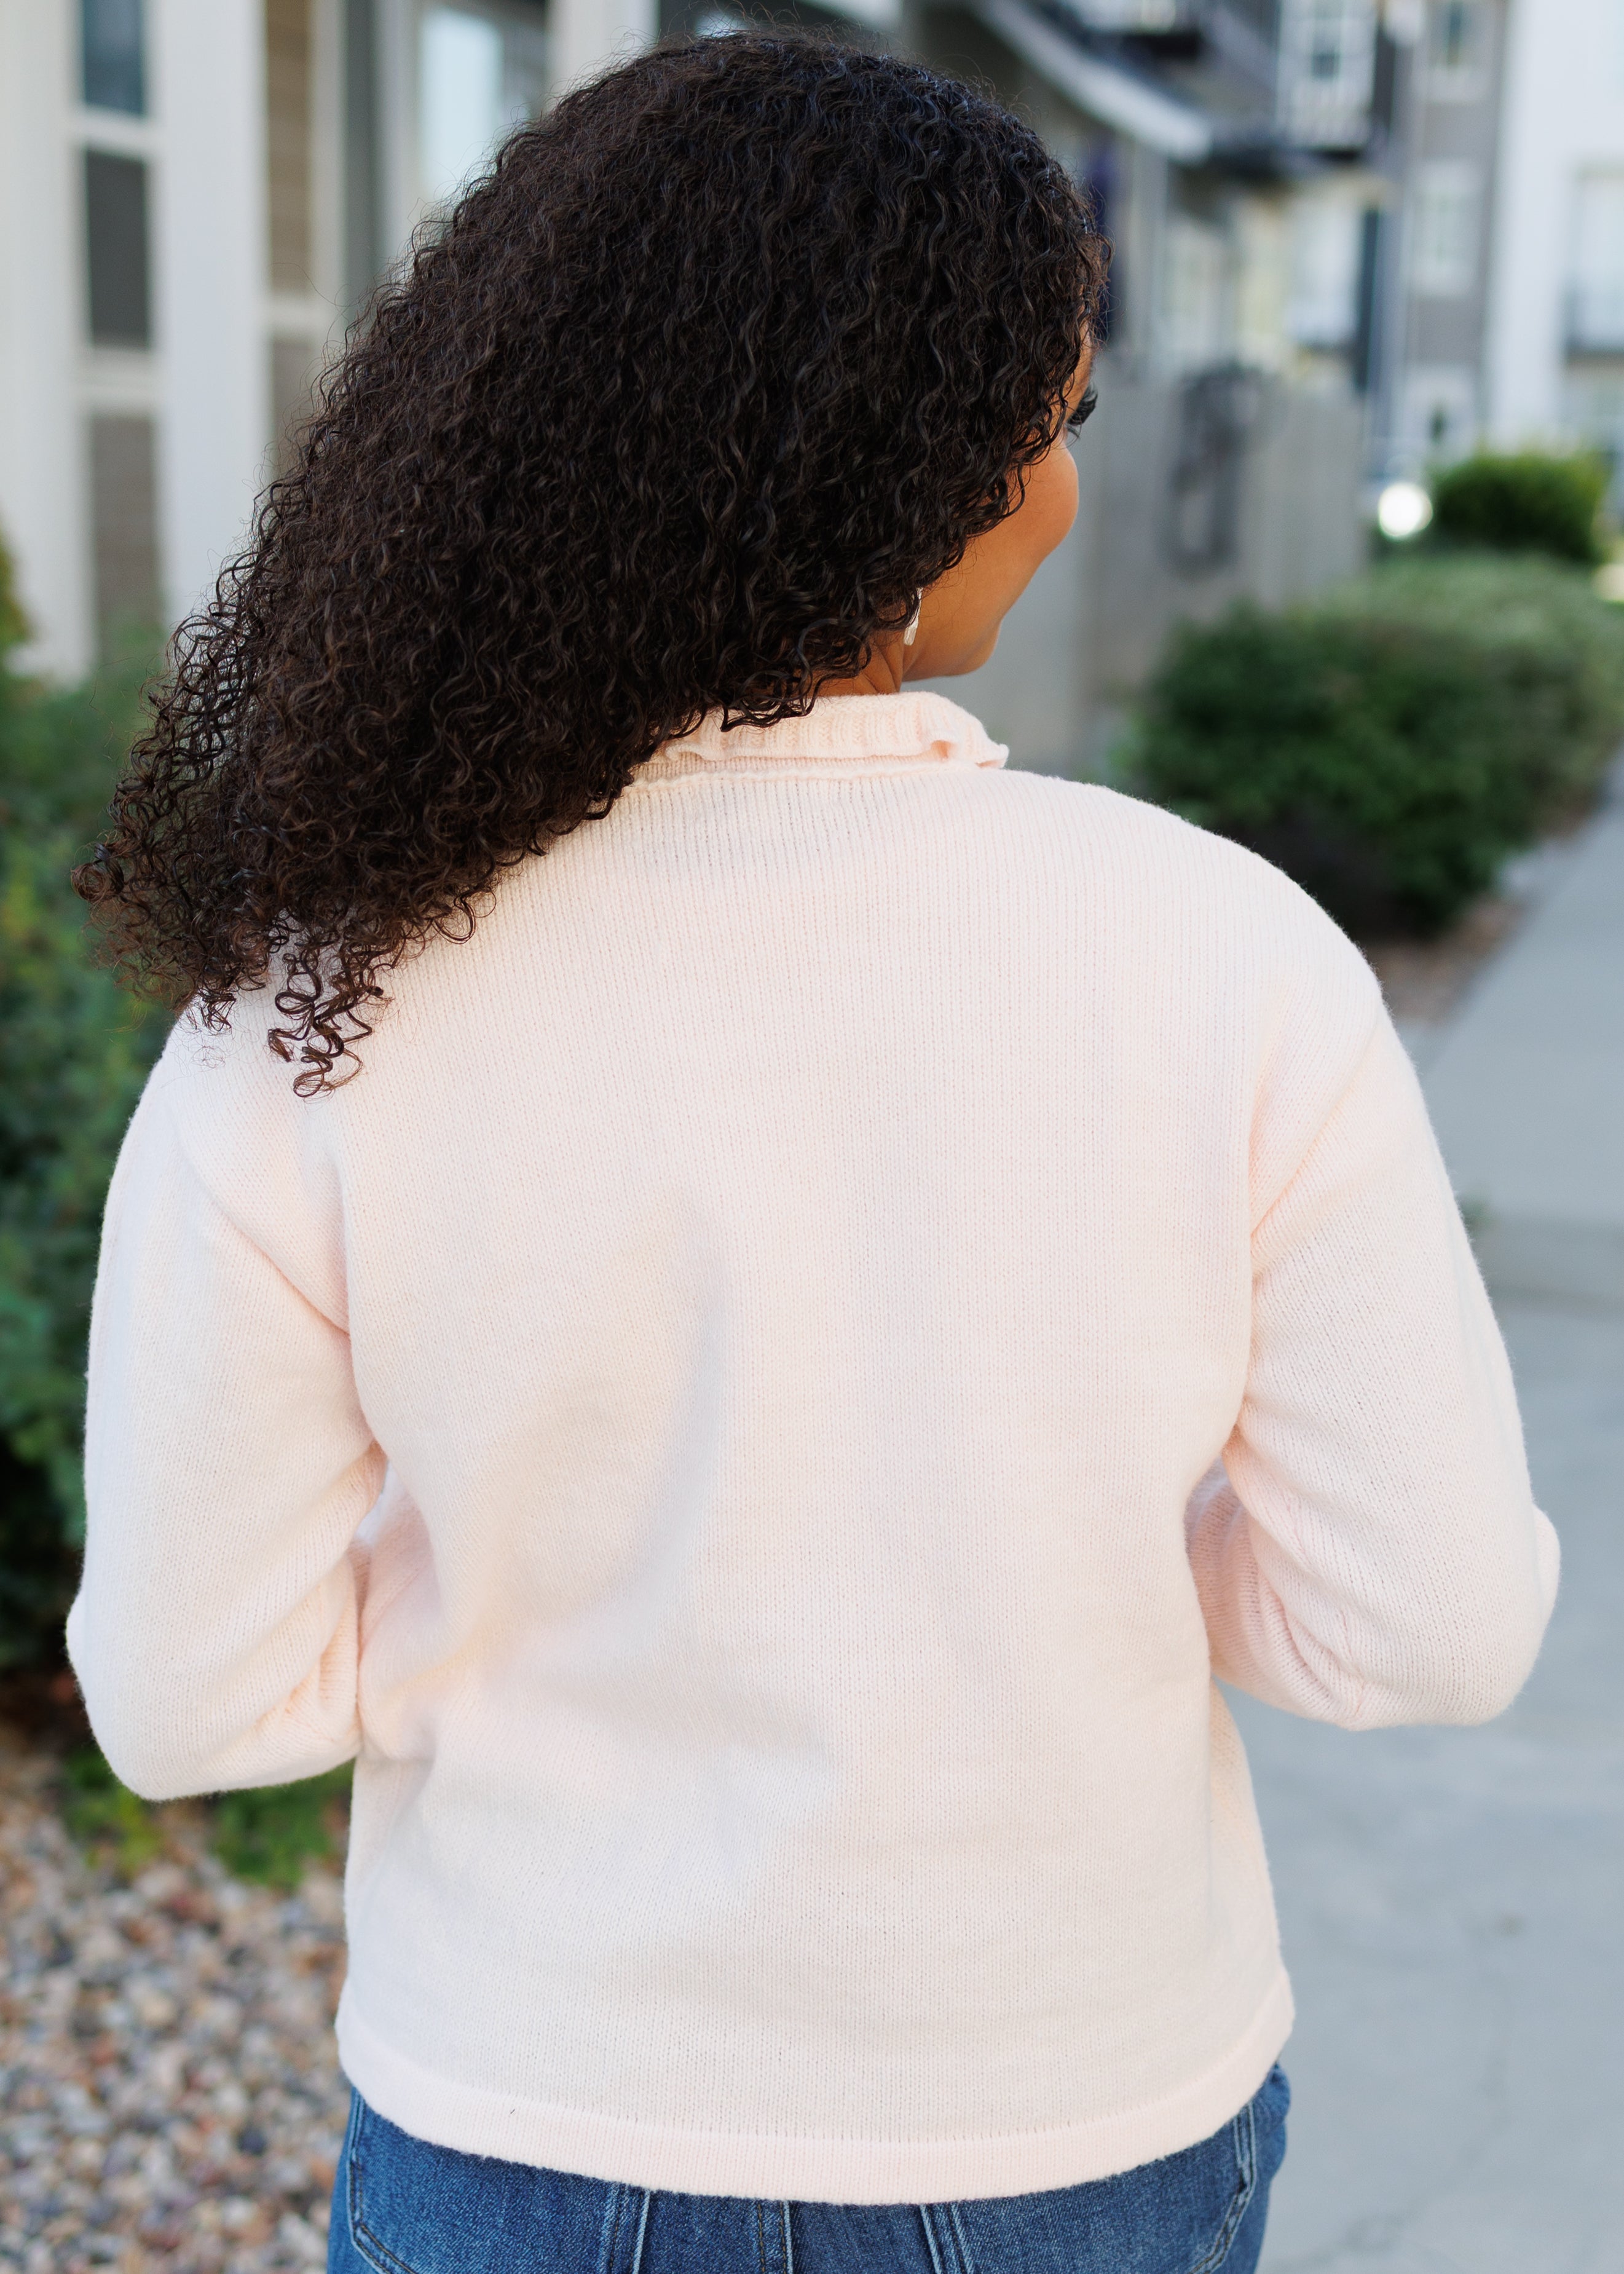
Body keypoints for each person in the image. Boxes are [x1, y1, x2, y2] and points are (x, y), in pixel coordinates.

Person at [68, 33, 1557, 2274]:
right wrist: (1057, 1558)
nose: (1061, 488)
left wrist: (552, 1571)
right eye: (1042, 422)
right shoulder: (1217, 955)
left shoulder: (316, 1010)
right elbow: (1422, 1628)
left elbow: (193, 1691)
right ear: (886, 472)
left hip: (528, 2121)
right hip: (1080, 2107)